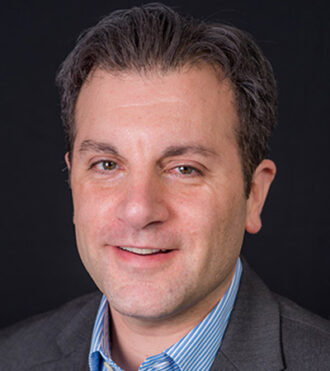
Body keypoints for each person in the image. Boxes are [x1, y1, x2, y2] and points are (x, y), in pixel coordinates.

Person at [0, 3, 329, 370]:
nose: (139, 211)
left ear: (254, 194)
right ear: (73, 180)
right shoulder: (12, 357)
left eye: (185, 169)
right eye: (107, 165)